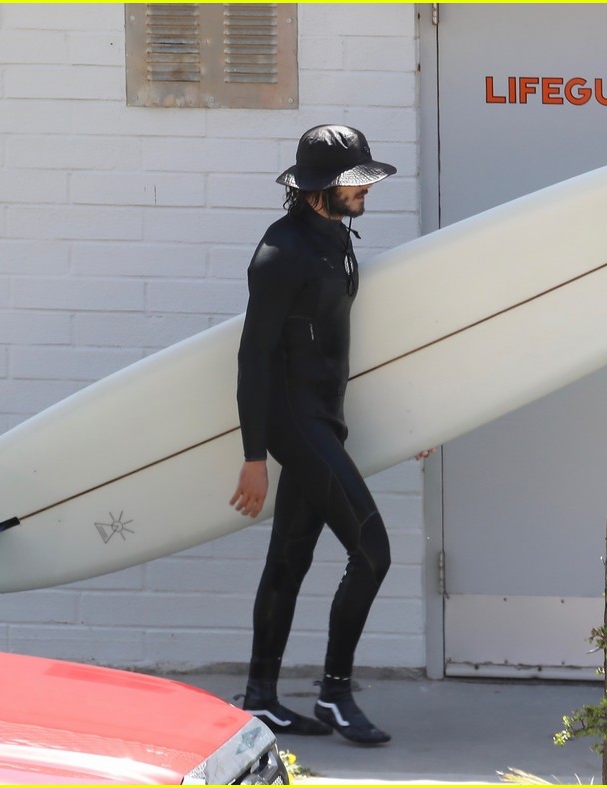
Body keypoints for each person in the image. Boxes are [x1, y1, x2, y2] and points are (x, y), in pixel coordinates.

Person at [230, 125, 419, 746]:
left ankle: (260, 699)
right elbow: (254, 358)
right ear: (318, 188)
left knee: (289, 559)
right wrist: (254, 455)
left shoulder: (335, 237)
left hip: (323, 417)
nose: (364, 189)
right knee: (373, 553)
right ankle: (336, 693)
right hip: (296, 424)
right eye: (353, 180)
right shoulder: (280, 254)